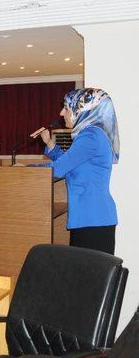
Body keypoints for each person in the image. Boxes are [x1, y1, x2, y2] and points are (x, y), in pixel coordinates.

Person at [36, 88, 119, 255]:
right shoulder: (93, 134)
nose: (61, 113)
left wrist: (27, 171)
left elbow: (59, 168)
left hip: (93, 221)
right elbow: (70, 164)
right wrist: (50, 143)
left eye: (66, 107)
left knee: (89, 278)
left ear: (82, 108)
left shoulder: (90, 136)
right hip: (90, 219)